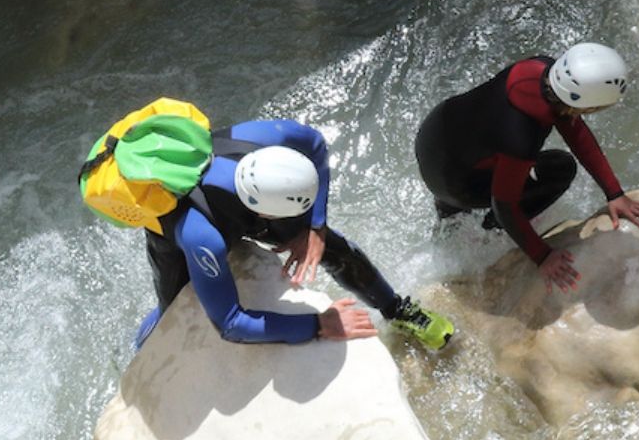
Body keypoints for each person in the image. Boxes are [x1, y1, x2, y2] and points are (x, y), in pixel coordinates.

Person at [138, 117, 454, 350]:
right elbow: (231, 324)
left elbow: (315, 143)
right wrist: (318, 325)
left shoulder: (260, 140)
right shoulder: (201, 238)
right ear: (264, 214)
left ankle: (397, 309)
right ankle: (141, 346)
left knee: (332, 246)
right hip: (179, 231)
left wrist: (315, 228)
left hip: (250, 204)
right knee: (172, 306)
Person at [415, 43, 639, 290]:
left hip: (435, 137)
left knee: (472, 166)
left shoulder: (540, 67)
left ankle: (446, 226)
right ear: (590, 106)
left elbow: (576, 132)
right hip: (455, 182)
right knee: (561, 169)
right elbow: (504, 205)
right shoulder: (520, 138)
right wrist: (542, 255)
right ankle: (492, 231)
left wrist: (614, 193)